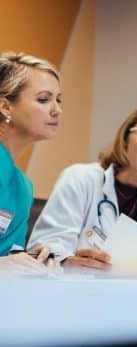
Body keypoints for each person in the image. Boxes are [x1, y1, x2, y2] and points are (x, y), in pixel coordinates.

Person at [28, 104, 137, 272]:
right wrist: (67, 261)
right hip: (77, 290)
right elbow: (45, 247)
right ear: (125, 137)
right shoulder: (80, 178)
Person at [0, 51, 60, 274]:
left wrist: (33, 258)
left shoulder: (23, 188)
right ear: (6, 107)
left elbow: (9, 256)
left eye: (58, 100)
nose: (57, 110)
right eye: (44, 100)